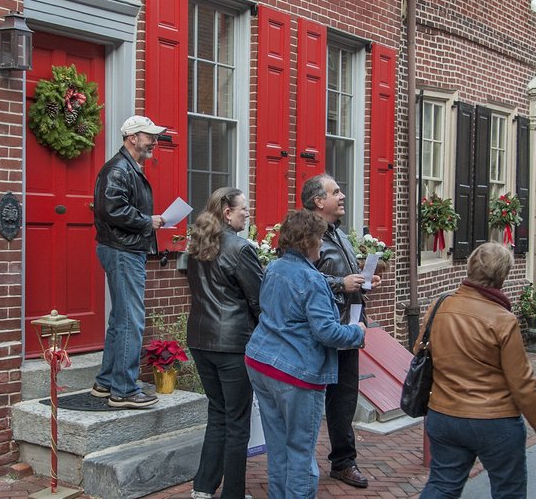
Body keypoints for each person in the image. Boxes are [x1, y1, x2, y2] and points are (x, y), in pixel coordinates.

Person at [418, 242, 536, 499]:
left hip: (444, 415)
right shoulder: (502, 319)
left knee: (441, 485)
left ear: (470, 267)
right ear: (503, 276)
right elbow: (523, 385)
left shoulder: (439, 306)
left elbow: (419, 352)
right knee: (509, 491)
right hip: (495, 421)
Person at [245, 210, 366, 498]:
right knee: (300, 451)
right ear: (311, 242)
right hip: (296, 373)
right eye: (320, 239)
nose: (322, 245)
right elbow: (328, 333)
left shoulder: (273, 268)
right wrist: (358, 331)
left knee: (278, 449)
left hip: (262, 362)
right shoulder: (311, 281)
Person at [300, 174, 380, 488]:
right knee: (313, 399)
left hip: (347, 327)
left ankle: (343, 462)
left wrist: (362, 281)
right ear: (319, 201)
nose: (343, 195)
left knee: (344, 399)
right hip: (321, 330)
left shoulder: (339, 234)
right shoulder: (307, 234)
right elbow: (299, 276)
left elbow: (341, 274)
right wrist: (340, 283)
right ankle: (301, 466)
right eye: (335, 191)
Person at [185, 187, 264, 499]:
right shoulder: (241, 249)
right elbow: (259, 302)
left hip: (200, 340)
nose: (248, 212)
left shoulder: (196, 246)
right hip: (233, 345)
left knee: (218, 413)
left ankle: (203, 487)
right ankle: (233, 493)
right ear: (227, 212)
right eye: (243, 208)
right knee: (237, 421)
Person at [91, 115, 168, 409]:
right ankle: (123, 390)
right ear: (132, 137)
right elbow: (113, 209)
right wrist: (148, 221)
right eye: (150, 136)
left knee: (121, 318)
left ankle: (107, 381)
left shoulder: (126, 168)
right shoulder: (118, 169)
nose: (155, 141)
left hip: (124, 248)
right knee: (131, 320)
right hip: (123, 250)